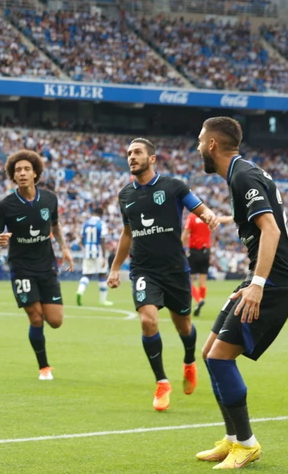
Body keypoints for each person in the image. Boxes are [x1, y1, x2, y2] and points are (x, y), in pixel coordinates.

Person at [194, 117, 288, 469]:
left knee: (220, 358)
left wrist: (256, 285)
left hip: (275, 281)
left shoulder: (243, 176)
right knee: (209, 352)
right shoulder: (241, 174)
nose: (198, 147)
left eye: (200, 141)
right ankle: (232, 440)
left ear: (212, 145)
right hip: (260, 276)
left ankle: (247, 444)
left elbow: (271, 230)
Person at [107, 138, 219, 411]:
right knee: (148, 321)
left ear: (152, 158)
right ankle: (162, 382)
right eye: (129, 153)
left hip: (175, 270)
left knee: (184, 326)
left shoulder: (173, 186)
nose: (131, 157)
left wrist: (208, 215)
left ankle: (189, 361)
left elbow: (197, 206)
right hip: (143, 269)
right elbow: (127, 233)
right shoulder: (125, 195)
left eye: (137, 152)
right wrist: (115, 267)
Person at [0, 150, 74, 380]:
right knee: (36, 318)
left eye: (27, 169)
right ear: (13, 176)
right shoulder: (5, 205)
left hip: (46, 265)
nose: (22, 173)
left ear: (35, 173)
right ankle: (44, 367)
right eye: (18, 170)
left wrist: (64, 248)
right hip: (21, 268)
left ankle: (40, 312)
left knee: (55, 321)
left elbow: (55, 225)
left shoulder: (49, 199)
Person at [182, 211, 233, 316]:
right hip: (206, 252)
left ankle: (199, 300)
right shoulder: (208, 217)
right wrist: (234, 216)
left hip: (194, 252)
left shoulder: (191, 217)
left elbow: (186, 234)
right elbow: (224, 219)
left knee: (189, 280)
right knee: (202, 281)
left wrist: (180, 248)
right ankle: (199, 305)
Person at [76, 207, 112, 306]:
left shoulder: (85, 223)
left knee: (87, 275)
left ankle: (80, 291)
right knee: (102, 274)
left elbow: (82, 238)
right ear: (101, 214)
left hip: (88, 251)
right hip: (98, 251)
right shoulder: (102, 224)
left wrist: (86, 248)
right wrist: (104, 257)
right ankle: (103, 300)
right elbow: (102, 240)